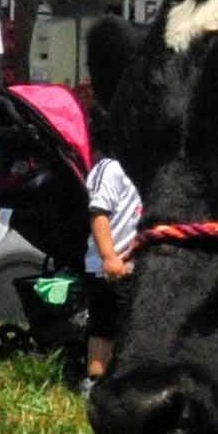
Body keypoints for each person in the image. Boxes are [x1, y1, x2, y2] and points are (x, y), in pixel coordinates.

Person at [79, 146, 141, 391]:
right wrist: (109, 257)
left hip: (135, 265)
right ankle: (95, 382)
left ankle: (128, 379)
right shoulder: (110, 169)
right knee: (104, 326)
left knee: (133, 324)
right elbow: (99, 214)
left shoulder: (145, 170)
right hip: (107, 267)